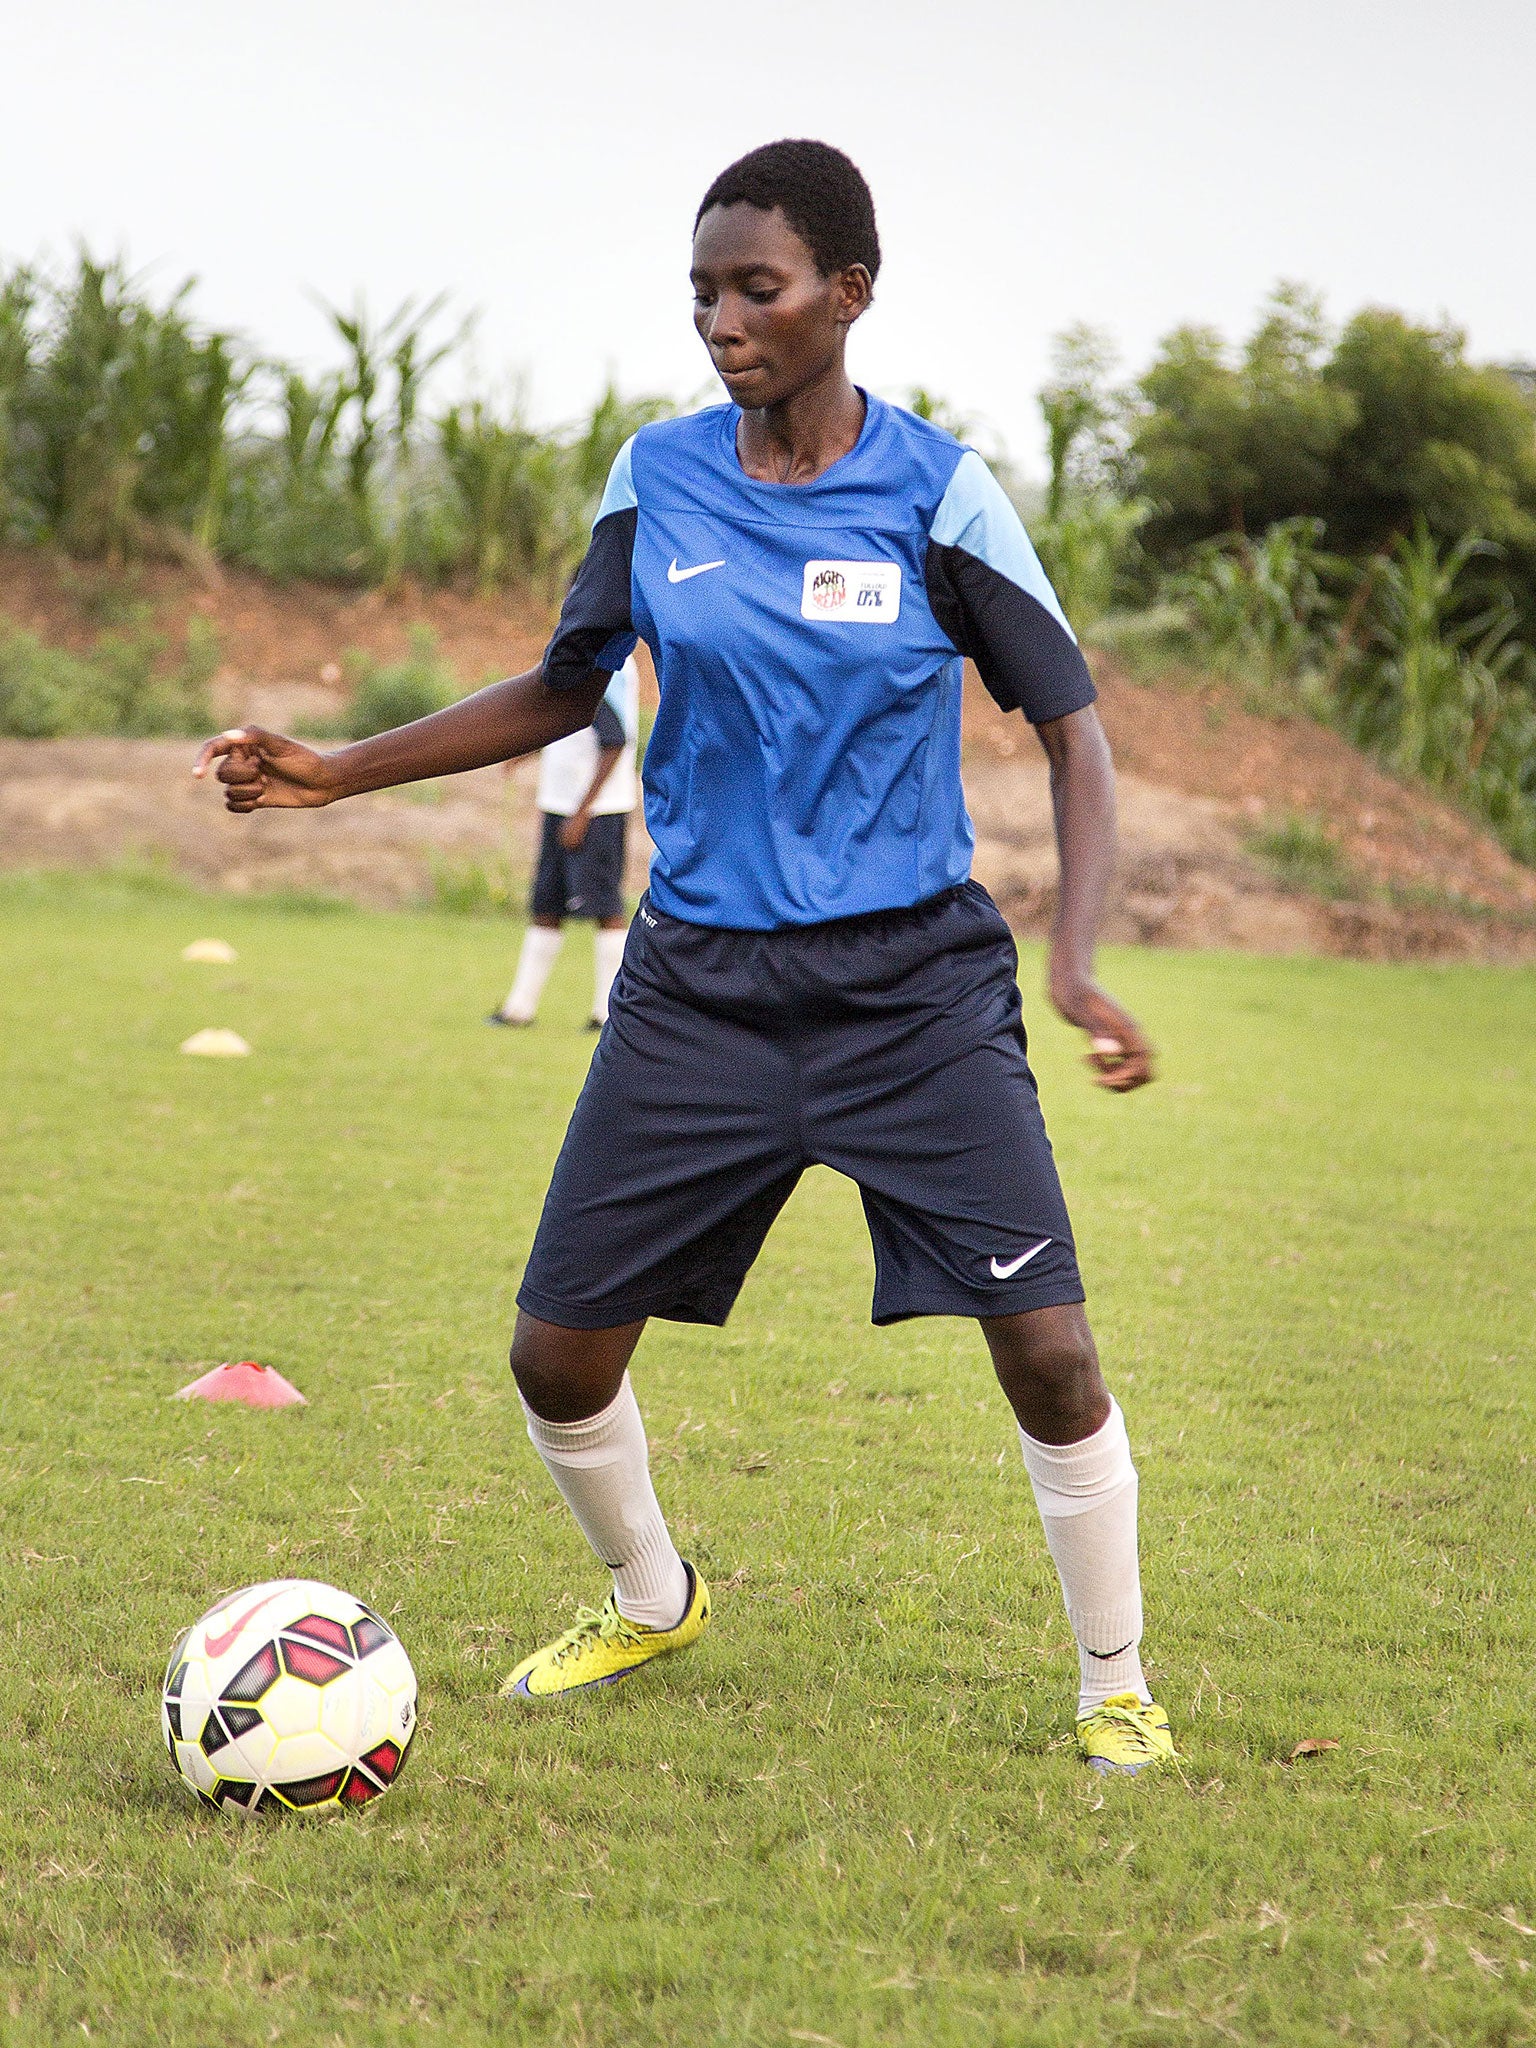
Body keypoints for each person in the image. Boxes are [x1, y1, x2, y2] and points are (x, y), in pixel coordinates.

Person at [195, 139, 1176, 1777]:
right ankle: (653, 1592)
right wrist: (341, 767)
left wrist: (1074, 965)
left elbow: (1072, 731)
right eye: (704, 291)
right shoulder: (656, 479)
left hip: (914, 993)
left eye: (759, 287)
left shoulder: (941, 490)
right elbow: (564, 681)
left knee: (1054, 1353)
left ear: (850, 292)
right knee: (556, 1349)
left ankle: (1115, 1681)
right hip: (699, 983)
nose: (724, 319)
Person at [490, 654, 639, 1029]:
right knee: (547, 904)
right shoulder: (578, 655)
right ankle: (519, 1008)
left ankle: (608, 1012)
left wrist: (582, 812)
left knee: (606, 907)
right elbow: (566, 723)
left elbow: (614, 740)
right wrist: (524, 753)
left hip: (597, 810)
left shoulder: (605, 661)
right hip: (560, 803)